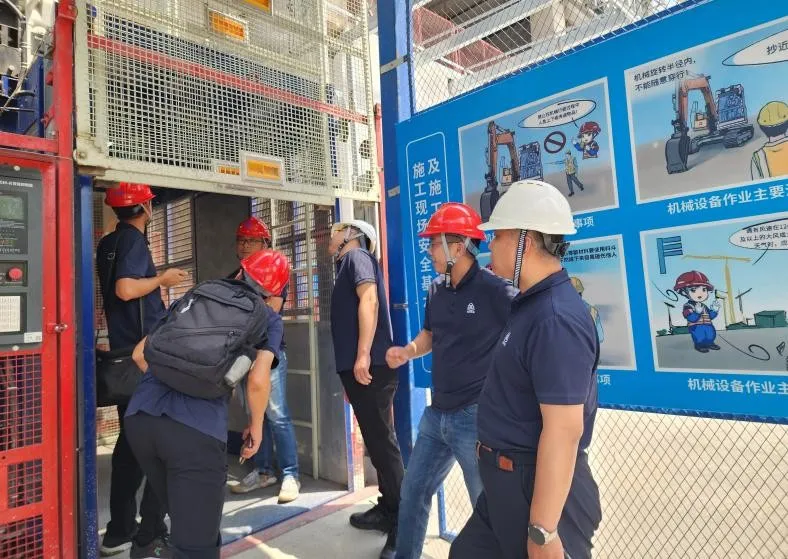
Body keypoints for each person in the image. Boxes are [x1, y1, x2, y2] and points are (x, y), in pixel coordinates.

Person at [449, 180, 602, 559]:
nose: (490, 245)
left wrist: (543, 530)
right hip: (506, 485)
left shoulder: (555, 318)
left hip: (538, 492)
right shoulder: (531, 305)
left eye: (498, 235)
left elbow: (564, 430)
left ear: (525, 242)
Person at [125, 249, 288, 559]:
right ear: (273, 294)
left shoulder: (196, 295)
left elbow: (139, 354)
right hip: (195, 432)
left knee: (184, 522)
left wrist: (171, 381)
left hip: (141, 418)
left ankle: (151, 545)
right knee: (196, 546)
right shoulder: (269, 318)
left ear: (240, 271)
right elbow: (257, 380)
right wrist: (255, 427)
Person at [385, 203, 518, 559]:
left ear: (457, 247)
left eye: (434, 243)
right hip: (435, 417)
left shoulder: (494, 290)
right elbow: (430, 335)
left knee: (487, 507)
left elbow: (529, 326)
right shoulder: (436, 289)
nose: (429, 251)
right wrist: (408, 351)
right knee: (413, 492)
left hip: (474, 419)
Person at [96, 182, 189, 557]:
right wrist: (163, 279)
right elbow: (125, 289)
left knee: (131, 444)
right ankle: (149, 533)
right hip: (143, 357)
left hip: (125, 354)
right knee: (161, 443)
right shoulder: (133, 241)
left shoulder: (108, 242)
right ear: (146, 208)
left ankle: (119, 530)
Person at [329, 219, 404, 559]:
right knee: (377, 444)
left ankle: (404, 521)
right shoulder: (347, 264)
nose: (332, 234)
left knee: (384, 446)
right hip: (362, 371)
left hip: (370, 366)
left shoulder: (356, 257)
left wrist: (362, 355)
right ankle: (388, 509)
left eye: (337, 229)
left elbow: (369, 299)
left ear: (352, 235)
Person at [228, 217, 300, 503]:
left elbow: (270, 309)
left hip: (268, 353)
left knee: (277, 414)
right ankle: (263, 471)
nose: (245, 245)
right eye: (241, 240)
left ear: (265, 244)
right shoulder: (236, 275)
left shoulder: (274, 272)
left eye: (251, 240)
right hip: (243, 355)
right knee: (255, 415)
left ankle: (291, 474)